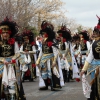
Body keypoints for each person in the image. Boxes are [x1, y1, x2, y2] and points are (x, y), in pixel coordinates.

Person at [0, 17, 26, 99]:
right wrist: (2, 60)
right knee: (3, 85)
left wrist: (12, 59)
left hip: (12, 65)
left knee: (12, 84)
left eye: (7, 33)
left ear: (9, 33)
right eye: (3, 33)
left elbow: (18, 53)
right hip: (1, 66)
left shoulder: (14, 42)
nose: (5, 34)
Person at [36, 21, 61, 91]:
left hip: (51, 58)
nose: (43, 35)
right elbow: (42, 51)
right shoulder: (43, 41)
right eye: (42, 34)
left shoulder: (53, 40)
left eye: (44, 33)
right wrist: (38, 59)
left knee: (52, 72)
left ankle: (54, 85)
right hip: (44, 59)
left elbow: (56, 51)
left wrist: (54, 60)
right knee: (44, 72)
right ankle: (45, 85)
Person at [81, 15, 100, 100]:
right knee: (95, 85)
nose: (95, 35)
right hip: (95, 67)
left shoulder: (93, 43)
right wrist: (84, 69)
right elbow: (90, 57)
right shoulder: (94, 43)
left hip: (95, 67)